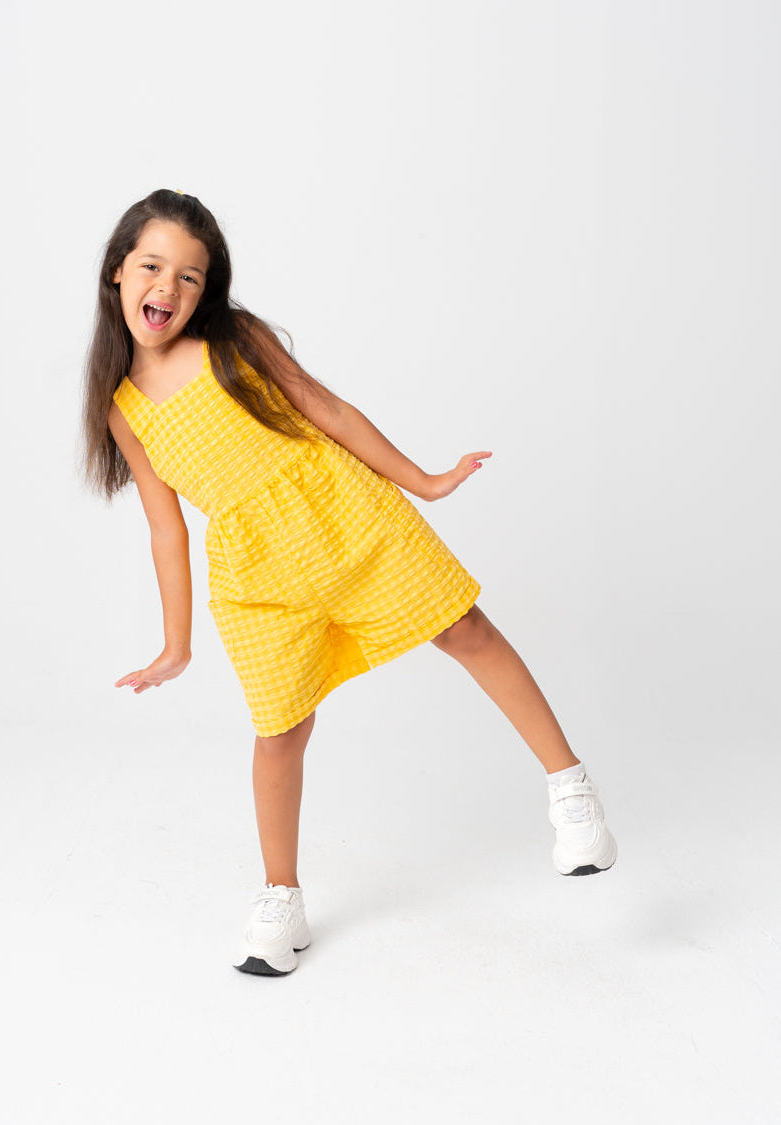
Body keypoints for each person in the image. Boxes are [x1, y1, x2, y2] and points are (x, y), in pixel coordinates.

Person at [82, 189, 617, 976]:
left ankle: (572, 792)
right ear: (118, 271)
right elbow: (167, 528)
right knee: (280, 728)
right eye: (153, 267)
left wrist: (425, 481)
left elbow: (326, 409)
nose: (169, 287)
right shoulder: (123, 407)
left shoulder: (234, 339)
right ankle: (280, 897)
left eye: (190, 276)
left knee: (462, 626)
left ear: (206, 290)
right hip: (256, 571)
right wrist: (175, 644)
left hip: (339, 512)